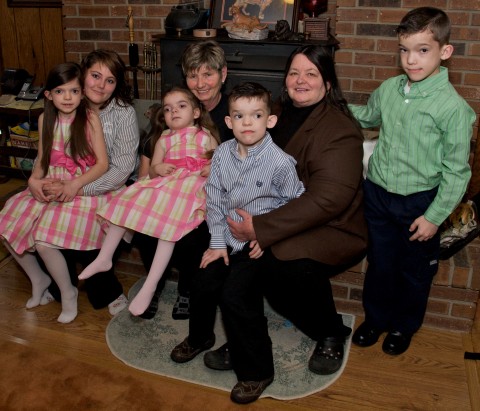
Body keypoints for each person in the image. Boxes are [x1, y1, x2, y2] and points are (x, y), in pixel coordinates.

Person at [174, 47, 368, 404]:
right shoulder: (274, 111)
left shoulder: (338, 130)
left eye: (311, 73)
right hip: (275, 214)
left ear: (327, 80)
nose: (300, 80)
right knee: (202, 253)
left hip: (329, 226)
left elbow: (328, 200)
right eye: (294, 72)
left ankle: (327, 332)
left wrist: (261, 228)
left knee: (276, 265)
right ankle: (236, 335)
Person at [349, 7, 476, 355]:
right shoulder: (389, 88)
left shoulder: (453, 108)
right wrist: (333, 105)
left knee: (415, 270)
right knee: (381, 262)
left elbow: (456, 171)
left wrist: (435, 217)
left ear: (444, 52)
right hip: (377, 193)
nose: (410, 59)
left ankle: (404, 327)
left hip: (420, 202)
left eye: (422, 50)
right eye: (404, 50)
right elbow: (367, 117)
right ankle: (375, 319)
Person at [170, 81, 305, 368]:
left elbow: (296, 204)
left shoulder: (281, 163)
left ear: (270, 121)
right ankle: (200, 337)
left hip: (257, 245)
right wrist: (217, 242)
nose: (247, 123)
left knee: (235, 297)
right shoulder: (221, 155)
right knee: (202, 281)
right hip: (225, 237)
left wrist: (267, 233)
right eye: (240, 116)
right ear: (229, 122)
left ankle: (257, 371)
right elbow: (215, 198)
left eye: (256, 115)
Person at [79, 87, 219, 316]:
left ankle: (151, 284)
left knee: (167, 231)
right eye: (168, 109)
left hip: (190, 189)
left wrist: (209, 167)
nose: (174, 111)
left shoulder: (204, 135)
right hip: (166, 185)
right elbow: (152, 170)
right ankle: (104, 257)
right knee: (127, 202)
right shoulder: (164, 138)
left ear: (195, 112)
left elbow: (219, 161)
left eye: (181, 106)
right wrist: (159, 168)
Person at [0, 62, 109, 323]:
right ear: (49, 95)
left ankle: (67, 292)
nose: (68, 97)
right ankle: (39, 280)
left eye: (73, 91)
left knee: (43, 239)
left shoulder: (90, 118)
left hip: (80, 188)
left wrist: (74, 185)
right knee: (7, 224)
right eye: (60, 92)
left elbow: (103, 164)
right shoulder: (43, 118)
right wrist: (34, 182)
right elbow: (42, 159)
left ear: (82, 93)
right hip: (51, 182)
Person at [134, 40, 234, 320]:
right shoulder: (172, 111)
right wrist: (148, 184)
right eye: (193, 75)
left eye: (208, 74)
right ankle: (154, 284)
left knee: (193, 231)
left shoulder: (232, 113)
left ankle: (188, 289)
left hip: (208, 196)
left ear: (223, 75)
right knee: (146, 222)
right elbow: (148, 156)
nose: (200, 83)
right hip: (167, 190)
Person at [41, 49, 140, 316]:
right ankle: (62, 284)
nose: (101, 85)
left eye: (110, 80)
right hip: (67, 183)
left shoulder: (123, 114)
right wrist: (49, 184)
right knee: (38, 216)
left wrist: (79, 189)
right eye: (95, 76)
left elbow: (121, 169)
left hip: (109, 186)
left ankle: (105, 290)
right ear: (82, 75)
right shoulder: (66, 104)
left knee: (89, 221)